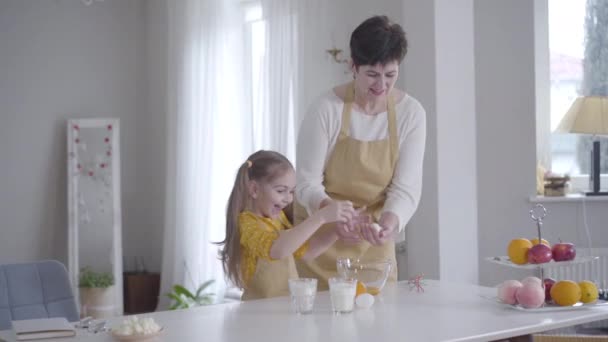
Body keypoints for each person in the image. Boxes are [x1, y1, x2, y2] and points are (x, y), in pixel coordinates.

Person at [294, 15, 426, 289]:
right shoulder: (325, 109)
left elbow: (406, 188)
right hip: (320, 241)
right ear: (353, 67)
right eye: (372, 75)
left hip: (373, 244)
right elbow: (306, 183)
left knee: (378, 325)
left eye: (390, 75)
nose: (381, 85)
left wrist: (390, 222)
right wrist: (333, 214)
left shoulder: (411, 114)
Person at [217, 150, 355, 300]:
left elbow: (306, 252)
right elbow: (277, 250)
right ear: (254, 189)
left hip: (285, 306)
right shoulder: (246, 223)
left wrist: (336, 232)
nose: (288, 199)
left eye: (291, 192)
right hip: (258, 311)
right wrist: (320, 217)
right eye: (281, 191)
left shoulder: (278, 218)